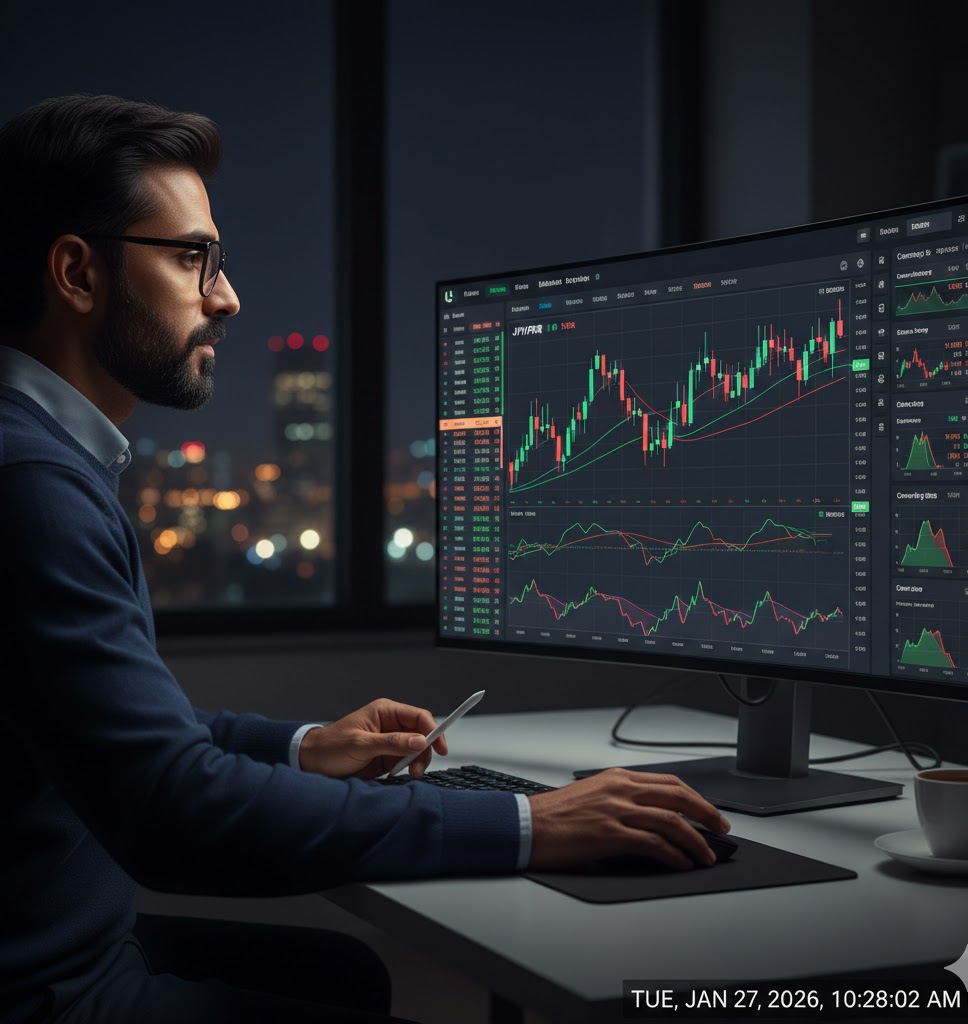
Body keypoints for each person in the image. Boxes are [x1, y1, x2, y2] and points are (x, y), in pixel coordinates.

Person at [0, 95, 731, 1024]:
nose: (226, 297)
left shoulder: (41, 458)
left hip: (63, 938)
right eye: (193, 258)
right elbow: (168, 808)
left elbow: (130, 734)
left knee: (351, 974)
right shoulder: (30, 483)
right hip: (51, 992)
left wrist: (306, 747)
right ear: (76, 272)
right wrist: (529, 824)